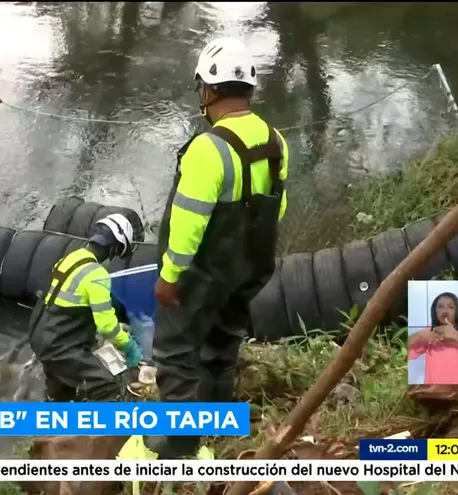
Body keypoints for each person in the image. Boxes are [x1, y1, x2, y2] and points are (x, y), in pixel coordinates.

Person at [147, 37, 290, 459]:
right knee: (223, 341)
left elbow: (188, 221)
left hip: (202, 271)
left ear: (209, 91)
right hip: (249, 267)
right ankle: (215, 420)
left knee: (175, 352)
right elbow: (276, 209)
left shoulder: (207, 149)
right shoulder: (277, 140)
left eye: (201, 92)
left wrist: (170, 276)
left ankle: (178, 445)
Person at [29, 213, 144, 402]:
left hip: (40, 338)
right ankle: (108, 430)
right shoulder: (97, 275)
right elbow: (106, 326)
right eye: (118, 252)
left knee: (60, 390)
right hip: (61, 347)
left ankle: (54, 421)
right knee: (106, 385)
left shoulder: (71, 258)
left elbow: (71, 304)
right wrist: (128, 346)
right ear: (114, 247)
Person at [408, 292, 458, 385]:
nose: (445, 311)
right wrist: (419, 335)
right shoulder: (429, 332)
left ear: (456, 311)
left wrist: (455, 335)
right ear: (435, 311)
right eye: (440, 307)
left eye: (451, 307)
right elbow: (404, 350)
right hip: (435, 390)